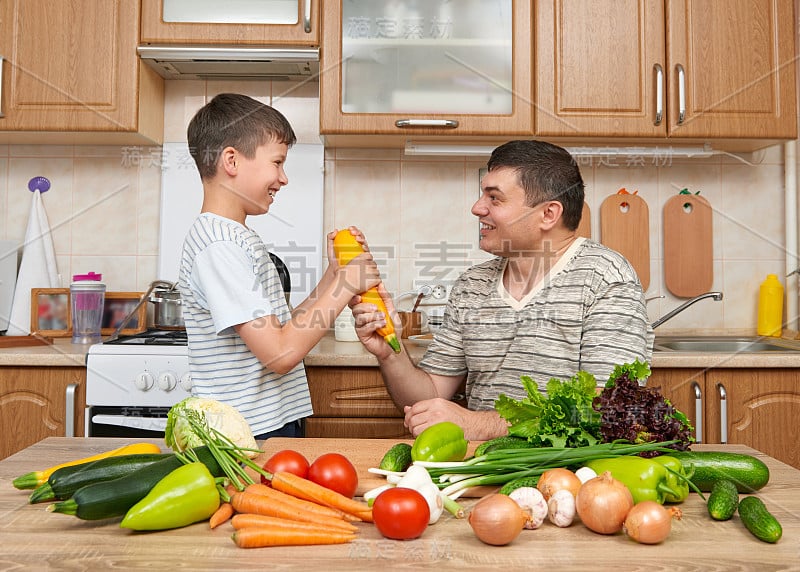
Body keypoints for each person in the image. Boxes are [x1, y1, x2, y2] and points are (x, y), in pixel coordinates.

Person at [352, 140, 654, 441]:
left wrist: (479, 425)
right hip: (483, 467)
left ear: (548, 214)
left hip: (568, 474)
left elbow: (607, 411)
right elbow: (428, 396)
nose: (477, 208)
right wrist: (391, 353)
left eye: (494, 198)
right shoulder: (473, 284)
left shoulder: (607, 279)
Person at [178, 93, 380, 440]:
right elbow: (280, 354)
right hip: (246, 435)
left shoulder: (235, 237)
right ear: (232, 161)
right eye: (277, 162)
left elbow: (283, 330)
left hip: (265, 422)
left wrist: (333, 276)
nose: (283, 178)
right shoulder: (219, 246)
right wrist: (345, 285)